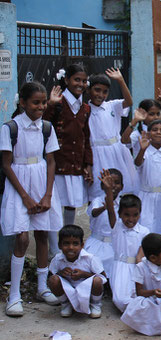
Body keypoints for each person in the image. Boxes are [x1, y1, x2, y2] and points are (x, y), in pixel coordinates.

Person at [2, 82, 62, 316]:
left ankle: (41, 287)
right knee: (22, 237)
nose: (41, 106)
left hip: (41, 182)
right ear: (23, 103)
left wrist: (47, 194)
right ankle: (14, 294)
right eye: (36, 102)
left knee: (43, 234)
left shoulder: (46, 128)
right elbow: (6, 165)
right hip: (19, 185)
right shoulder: (10, 128)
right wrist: (26, 197)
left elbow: (51, 161)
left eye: (43, 102)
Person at [44, 64, 93, 229]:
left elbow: (86, 137)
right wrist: (50, 105)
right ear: (66, 80)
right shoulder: (57, 103)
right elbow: (43, 125)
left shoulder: (85, 108)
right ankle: (55, 247)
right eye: (76, 80)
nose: (81, 84)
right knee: (54, 203)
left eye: (84, 81)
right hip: (57, 163)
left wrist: (88, 164)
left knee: (71, 203)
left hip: (75, 163)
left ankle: (68, 235)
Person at [121, 233, 161, 335]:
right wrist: (153, 292)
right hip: (148, 297)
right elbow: (139, 292)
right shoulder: (141, 268)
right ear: (153, 258)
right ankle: (148, 327)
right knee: (143, 306)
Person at [86, 68, 137, 200]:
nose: (101, 95)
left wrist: (120, 80)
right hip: (97, 155)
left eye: (105, 92)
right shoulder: (85, 110)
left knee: (120, 187)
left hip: (117, 153)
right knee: (99, 190)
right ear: (88, 90)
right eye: (97, 90)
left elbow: (129, 102)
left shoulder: (112, 106)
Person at [48, 225, 106, 318]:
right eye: (66, 243)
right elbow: (51, 277)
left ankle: (95, 304)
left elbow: (103, 278)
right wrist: (61, 274)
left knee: (97, 280)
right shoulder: (57, 259)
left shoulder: (90, 258)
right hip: (68, 291)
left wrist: (84, 274)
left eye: (75, 244)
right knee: (54, 279)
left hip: (87, 292)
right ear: (59, 245)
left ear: (82, 245)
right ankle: (66, 304)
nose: (71, 247)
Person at [105, 193, 150, 312]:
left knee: (140, 293)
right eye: (126, 215)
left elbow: (142, 252)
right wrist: (108, 190)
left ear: (140, 214)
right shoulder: (117, 227)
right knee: (120, 300)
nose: (131, 219)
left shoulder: (144, 231)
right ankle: (138, 309)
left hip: (137, 267)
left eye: (135, 215)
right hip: (121, 268)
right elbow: (110, 210)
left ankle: (142, 309)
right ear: (119, 214)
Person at [84, 168, 123, 278]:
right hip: (97, 242)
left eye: (117, 183)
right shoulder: (97, 200)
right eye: (110, 182)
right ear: (102, 186)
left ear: (122, 186)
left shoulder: (123, 203)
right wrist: (105, 207)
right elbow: (94, 213)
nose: (113, 186)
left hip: (114, 243)